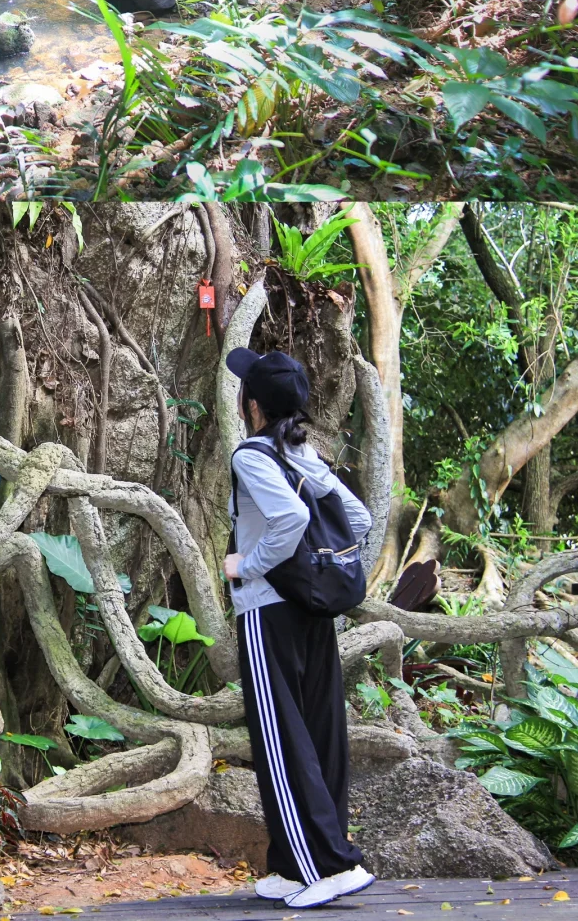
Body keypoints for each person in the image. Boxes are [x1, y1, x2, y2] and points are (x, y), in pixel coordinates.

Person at [224, 347, 375, 910]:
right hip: (311, 610)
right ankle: (293, 865)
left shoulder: (252, 456)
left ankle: (329, 866)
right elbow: (356, 521)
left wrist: (249, 563)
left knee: (281, 740)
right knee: (319, 735)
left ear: (254, 406)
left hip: (268, 611)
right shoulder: (303, 454)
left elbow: (291, 519)